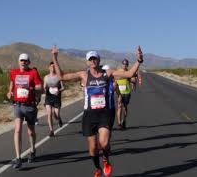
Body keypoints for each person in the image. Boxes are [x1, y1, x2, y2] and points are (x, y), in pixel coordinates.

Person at [51, 46, 143, 177]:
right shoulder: (84, 75)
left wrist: (139, 60)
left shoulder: (108, 73)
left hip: (105, 113)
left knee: (104, 143)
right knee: (93, 149)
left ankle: (106, 160)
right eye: (90, 59)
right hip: (90, 114)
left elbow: (129, 74)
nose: (93, 61)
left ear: (99, 60)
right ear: (87, 62)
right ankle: (97, 168)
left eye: (95, 58)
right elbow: (61, 77)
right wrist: (54, 57)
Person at [7, 53, 43, 169]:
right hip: (17, 105)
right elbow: (12, 84)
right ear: (19, 62)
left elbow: (40, 87)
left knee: (30, 131)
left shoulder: (33, 73)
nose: (23, 62)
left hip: (30, 106)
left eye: (25, 61)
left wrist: (30, 88)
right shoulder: (14, 73)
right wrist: (10, 92)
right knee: (17, 130)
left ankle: (32, 149)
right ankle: (18, 158)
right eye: (21, 60)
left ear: (29, 62)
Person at [44, 62, 64, 137]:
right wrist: (45, 89)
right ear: (49, 67)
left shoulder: (59, 77)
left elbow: (63, 87)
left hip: (56, 97)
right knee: (49, 114)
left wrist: (58, 91)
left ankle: (59, 119)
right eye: (51, 66)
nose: (52, 68)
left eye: (54, 67)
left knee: (56, 115)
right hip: (48, 97)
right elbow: (44, 87)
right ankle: (51, 131)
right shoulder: (46, 77)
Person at [116, 59, 136, 130]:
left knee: (124, 107)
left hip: (127, 92)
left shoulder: (129, 72)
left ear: (128, 65)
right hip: (119, 92)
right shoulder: (118, 72)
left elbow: (133, 80)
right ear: (122, 64)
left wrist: (132, 81)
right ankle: (119, 123)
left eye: (126, 64)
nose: (125, 65)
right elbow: (115, 81)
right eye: (124, 64)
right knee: (119, 106)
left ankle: (124, 120)